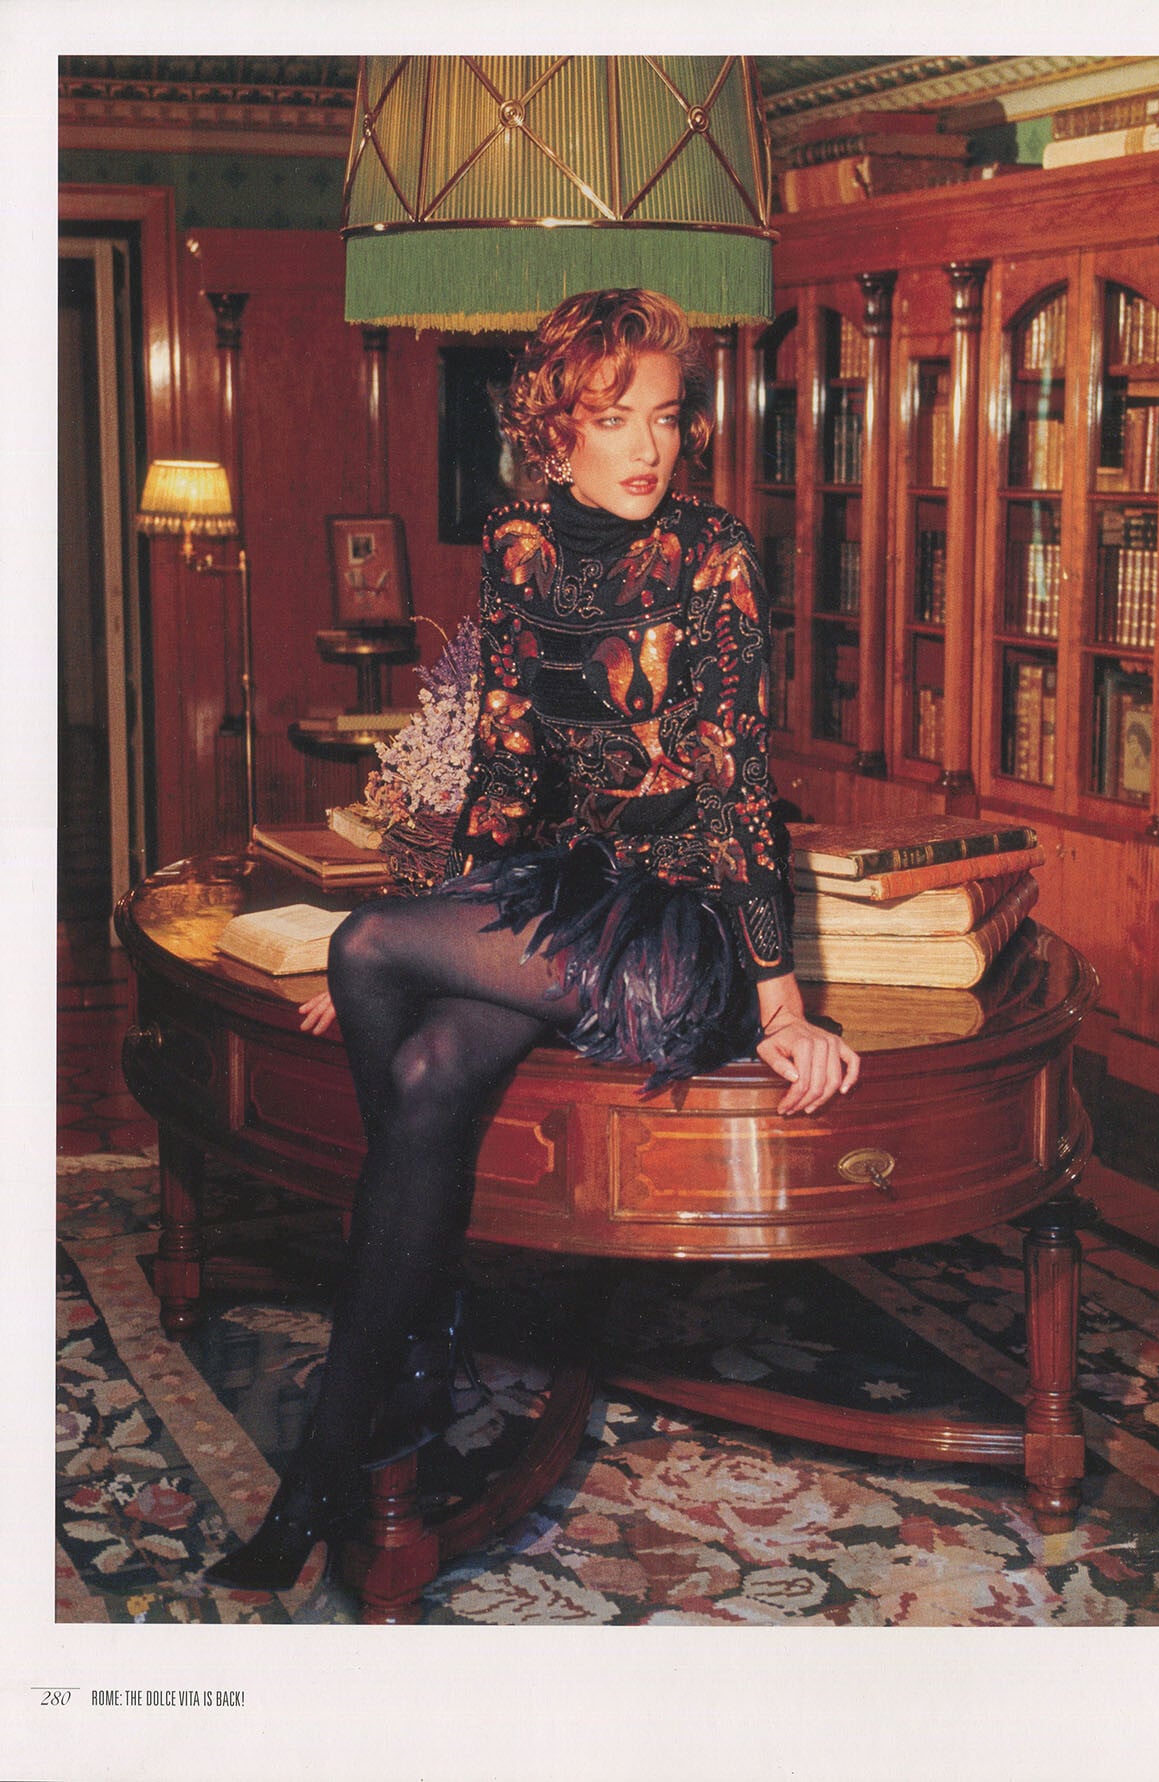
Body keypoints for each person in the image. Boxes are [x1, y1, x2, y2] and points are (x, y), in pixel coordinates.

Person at [204, 288, 859, 1592]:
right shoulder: (514, 547)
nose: (649, 446)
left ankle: (344, 1435)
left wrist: (784, 1002)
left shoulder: (715, 554)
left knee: (366, 950)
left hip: (676, 922)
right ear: (556, 429)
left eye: (664, 416)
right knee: (426, 1068)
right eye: (615, 419)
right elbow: (504, 765)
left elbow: (736, 785)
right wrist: (451, 931)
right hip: (556, 892)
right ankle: (377, 1398)